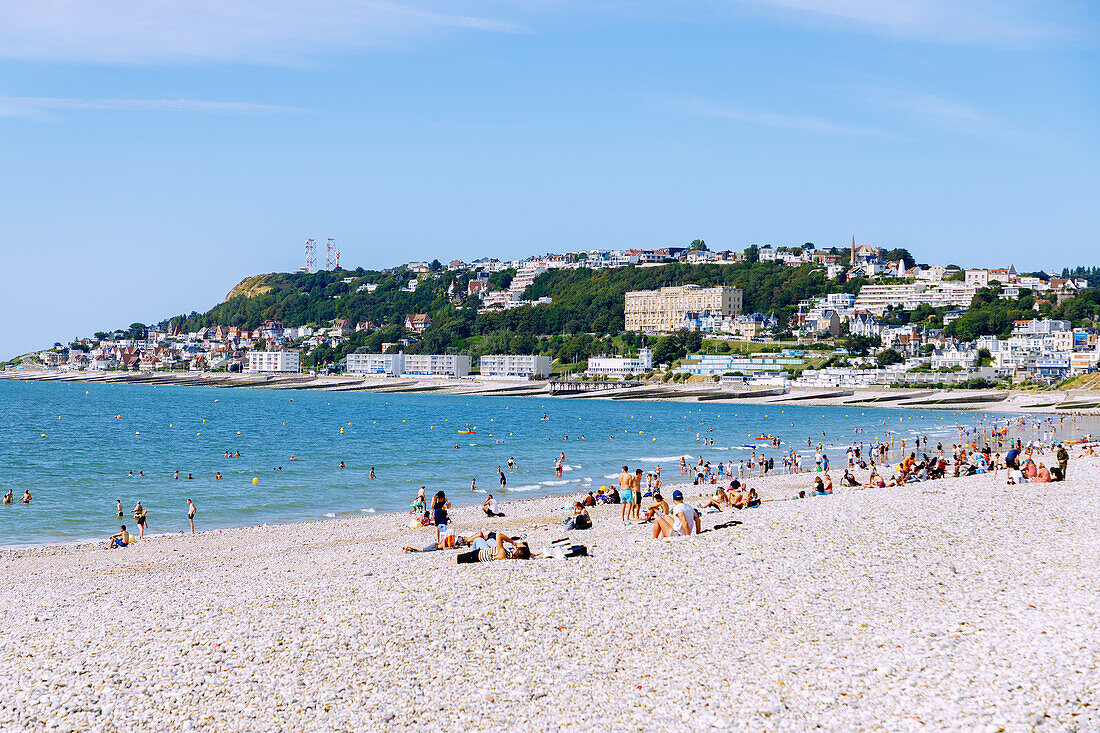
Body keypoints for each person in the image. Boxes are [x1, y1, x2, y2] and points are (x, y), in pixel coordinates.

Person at [450, 533, 531, 564]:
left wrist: (513, 542)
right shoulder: (510, 554)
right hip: (483, 553)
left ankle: (472, 550)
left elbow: (499, 535)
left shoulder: (503, 553)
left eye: (522, 543)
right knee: (490, 540)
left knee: (478, 539)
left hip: (477, 555)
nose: (521, 542)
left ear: (521, 548)